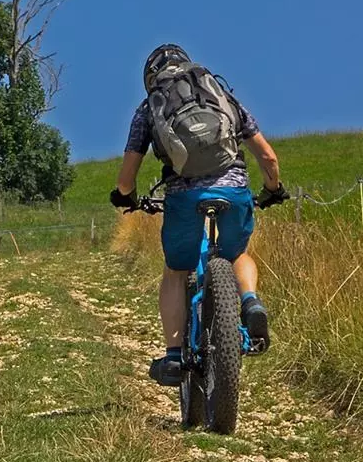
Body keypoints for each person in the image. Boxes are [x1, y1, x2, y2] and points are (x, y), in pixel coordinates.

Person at [110, 44, 289, 387]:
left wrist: (126, 197)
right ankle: (250, 302)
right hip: (234, 190)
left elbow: (126, 176)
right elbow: (268, 157)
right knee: (237, 254)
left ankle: (175, 355)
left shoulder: (149, 107)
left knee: (177, 271)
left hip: (183, 195)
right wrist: (273, 189)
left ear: (150, 77)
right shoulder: (220, 94)